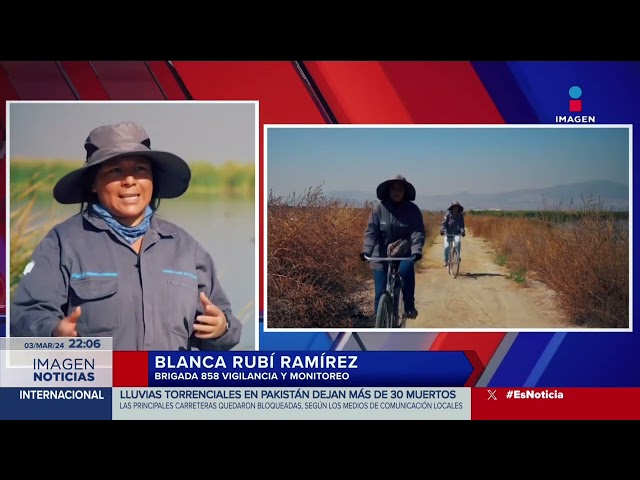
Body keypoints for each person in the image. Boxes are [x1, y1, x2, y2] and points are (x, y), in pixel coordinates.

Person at [10, 121, 242, 351]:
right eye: (115, 170)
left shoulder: (186, 248)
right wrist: (53, 333)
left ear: (152, 180)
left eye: (140, 169)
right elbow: (25, 316)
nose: (129, 180)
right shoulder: (62, 242)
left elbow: (227, 330)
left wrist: (220, 328)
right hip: (99, 386)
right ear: (93, 183)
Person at [360, 175, 425, 319]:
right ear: (388, 191)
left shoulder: (412, 210)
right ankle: (379, 322)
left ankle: (409, 306)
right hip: (381, 254)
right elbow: (371, 232)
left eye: (400, 189)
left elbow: (417, 232)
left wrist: (416, 251)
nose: (396, 192)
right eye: (393, 189)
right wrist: (366, 250)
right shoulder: (378, 209)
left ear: (404, 192)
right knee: (380, 292)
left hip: (404, 252)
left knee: (406, 271)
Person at [440, 201, 466, 267]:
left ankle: (458, 257)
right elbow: (444, 224)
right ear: (452, 208)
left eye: (457, 207)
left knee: (457, 242)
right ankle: (446, 259)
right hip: (448, 233)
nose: (455, 208)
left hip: (457, 233)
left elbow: (461, 225)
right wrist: (442, 230)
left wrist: (462, 231)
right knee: (447, 247)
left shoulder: (460, 215)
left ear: (458, 208)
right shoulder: (447, 215)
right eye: (454, 207)